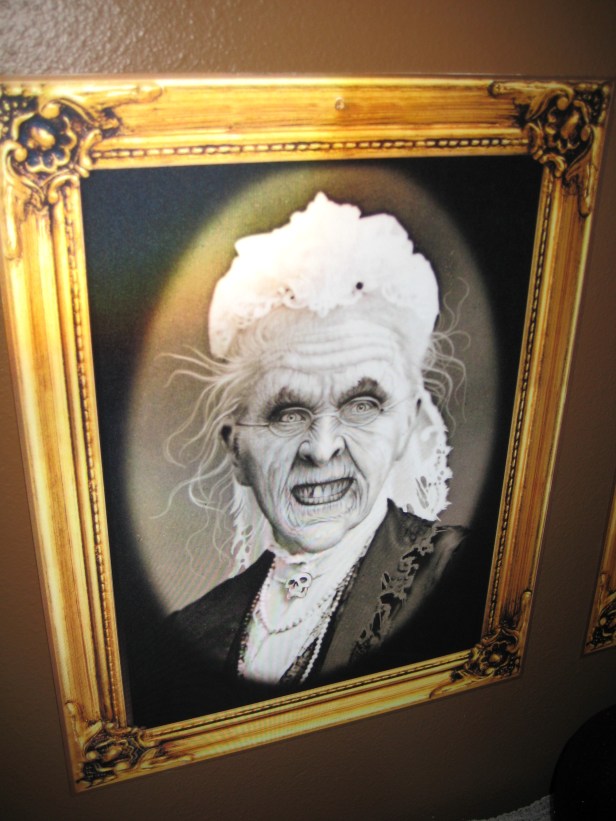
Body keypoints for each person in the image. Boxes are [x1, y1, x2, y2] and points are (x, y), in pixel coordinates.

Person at [146, 193, 479, 725]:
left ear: (408, 424)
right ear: (236, 449)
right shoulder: (192, 629)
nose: (322, 449)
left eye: (363, 405)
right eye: (286, 414)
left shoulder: (459, 575)